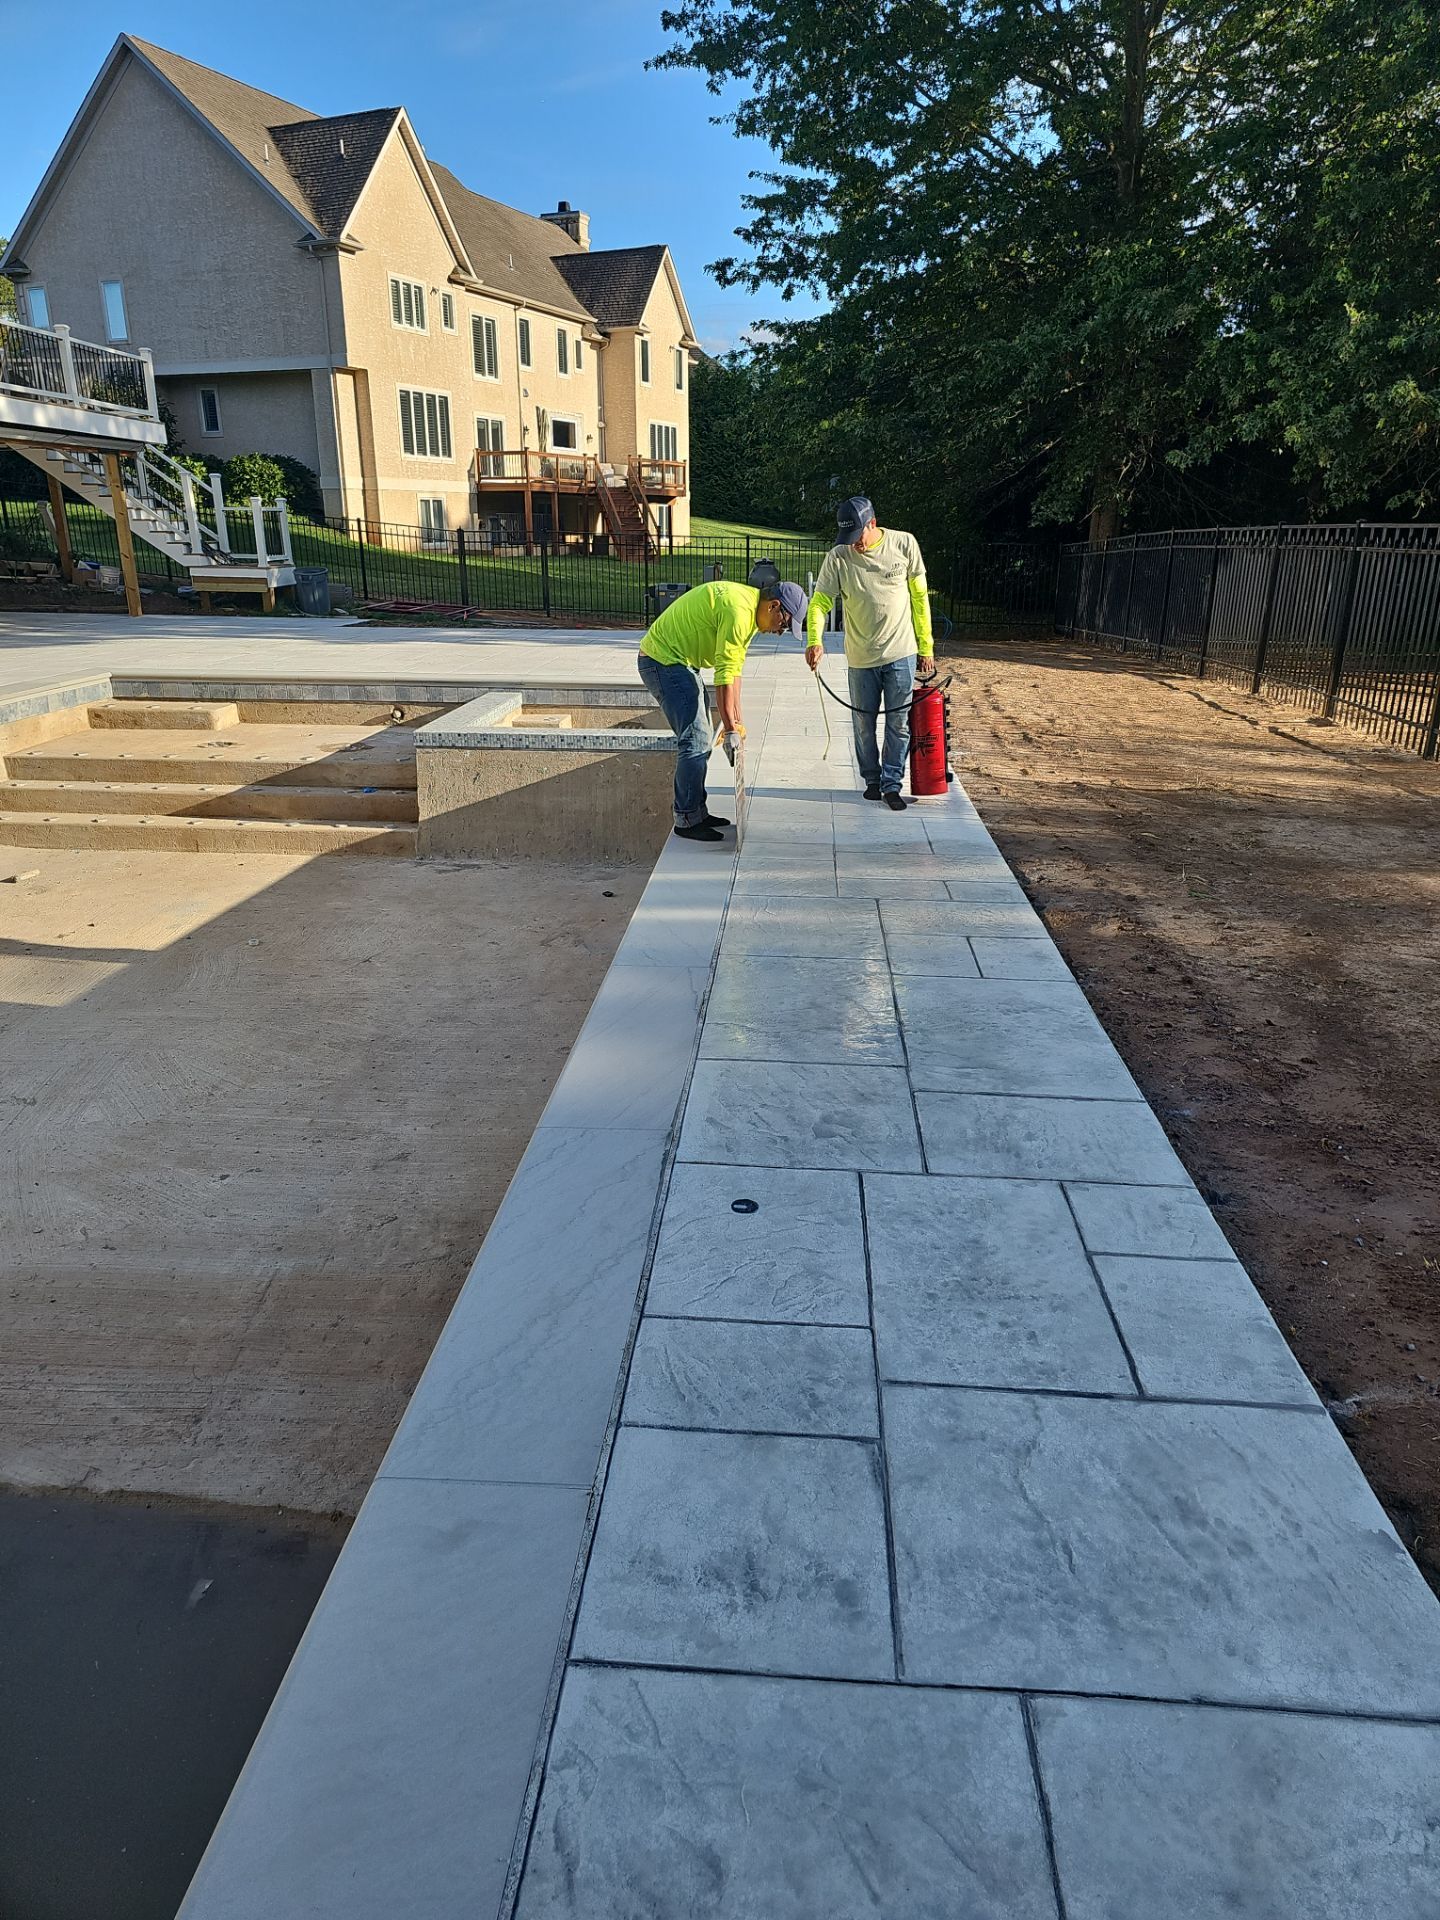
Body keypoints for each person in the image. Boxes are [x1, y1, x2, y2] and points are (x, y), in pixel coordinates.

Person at [638, 576, 809, 842]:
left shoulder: (749, 612)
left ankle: (697, 813)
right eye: (785, 624)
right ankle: (686, 819)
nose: (780, 632)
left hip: (678, 661)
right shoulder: (738, 612)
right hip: (662, 660)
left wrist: (737, 723)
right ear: (774, 606)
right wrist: (729, 729)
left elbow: (735, 672)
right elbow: (723, 677)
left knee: (701, 737)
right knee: (696, 740)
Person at [804, 495, 935, 810]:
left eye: (857, 535)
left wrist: (926, 645)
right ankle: (872, 781)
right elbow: (820, 602)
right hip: (861, 657)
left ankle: (892, 784)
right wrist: (814, 640)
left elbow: (920, 598)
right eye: (847, 537)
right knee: (863, 724)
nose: (854, 544)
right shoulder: (839, 557)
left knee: (898, 723)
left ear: (872, 523)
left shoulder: (904, 544)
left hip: (901, 652)